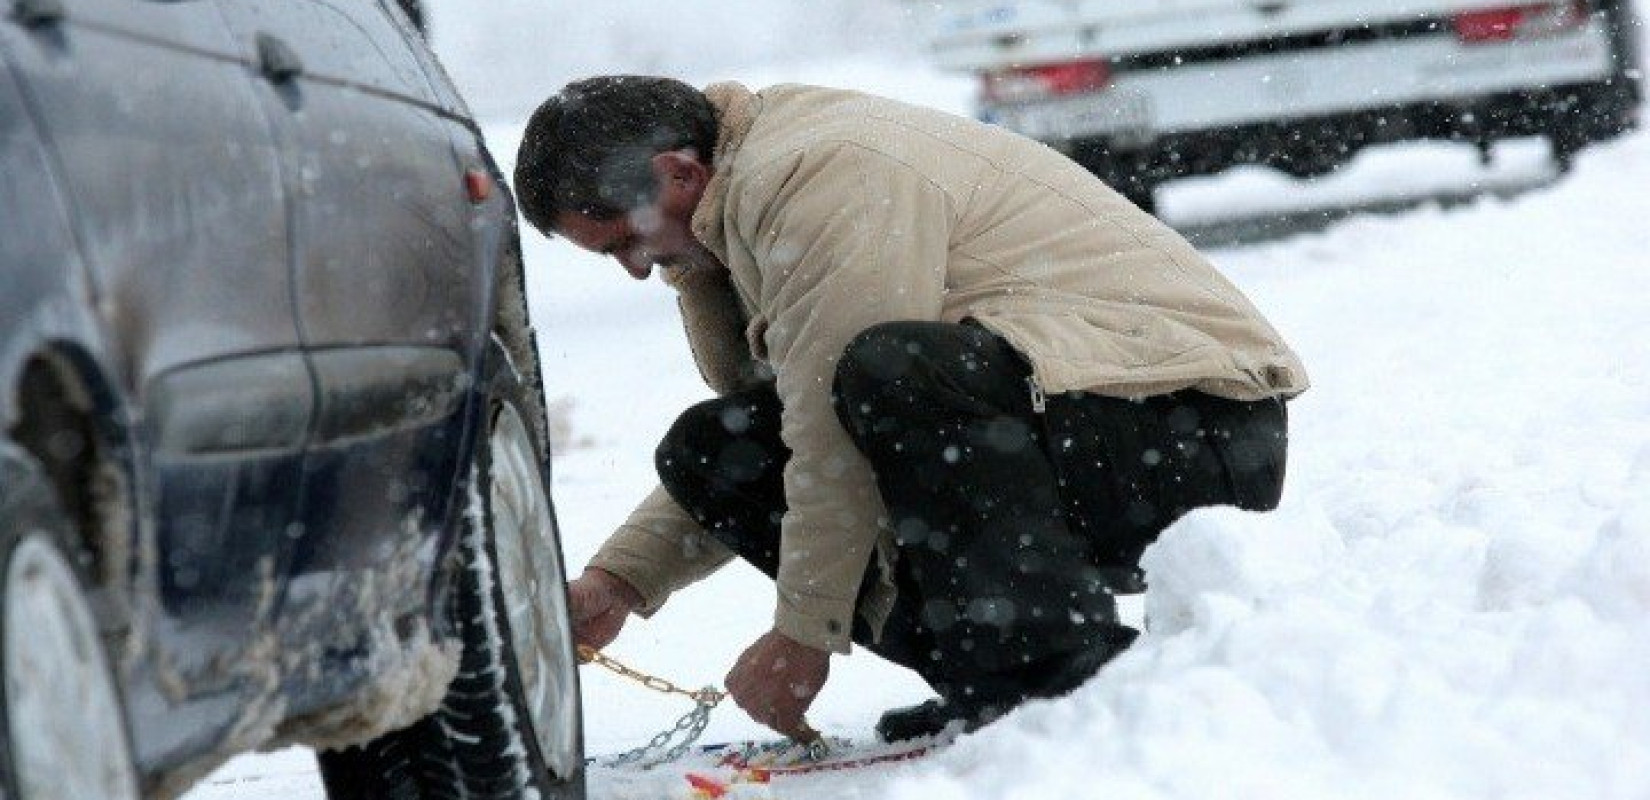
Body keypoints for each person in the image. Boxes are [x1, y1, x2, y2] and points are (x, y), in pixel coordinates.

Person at [513, 76, 1308, 743]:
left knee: (895, 374)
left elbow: (831, 423)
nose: (632, 269)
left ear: (678, 174)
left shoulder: (819, 172)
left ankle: (1051, 669)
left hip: (1194, 427)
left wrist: (803, 636)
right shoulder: (747, 189)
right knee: (713, 449)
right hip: (1077, 414)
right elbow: (788, 418)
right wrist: (618, 581)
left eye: (624, 241)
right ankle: (988, 671)